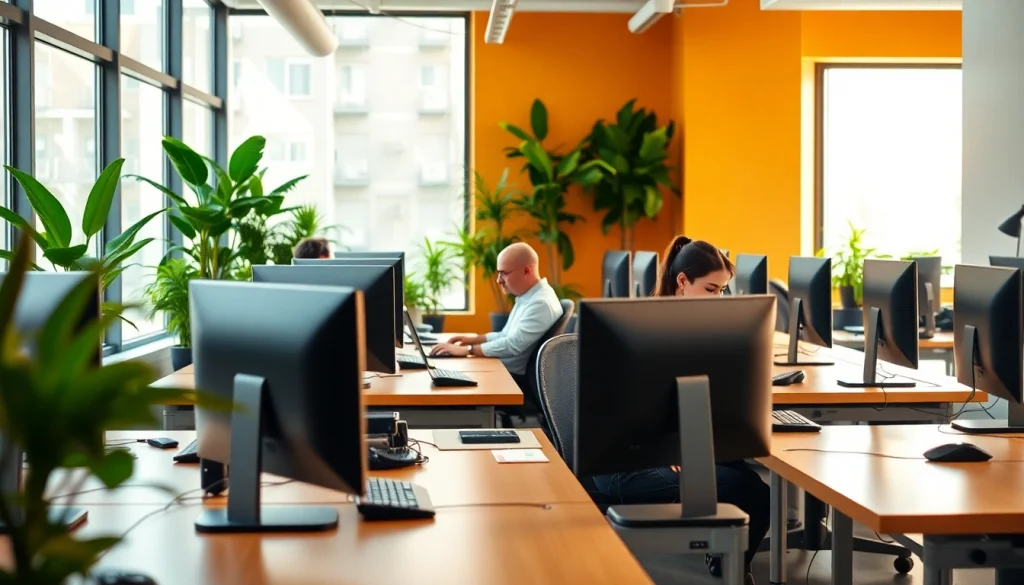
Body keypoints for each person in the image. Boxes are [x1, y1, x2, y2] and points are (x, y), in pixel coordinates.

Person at [586, 234, 770, 585]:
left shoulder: (689, 326)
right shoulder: (645, 327)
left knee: (738, 468)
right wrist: (670, 444)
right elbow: (624, 408)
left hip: (663, 447)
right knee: (752, 492)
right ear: (682, 281)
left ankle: (725, 559)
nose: (719, 299)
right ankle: (728, 567)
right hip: (628, 463)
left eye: (723, 290)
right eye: (711, 289)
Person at [429, 242, 562, 391]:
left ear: (526, 270)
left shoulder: (540, 303)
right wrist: (471, 340)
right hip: (503, 372)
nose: (498, 280)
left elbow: (513, 344)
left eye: (504, 273)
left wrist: (468, 350)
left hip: (511, 380)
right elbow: (505, 335)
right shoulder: (528, 296)